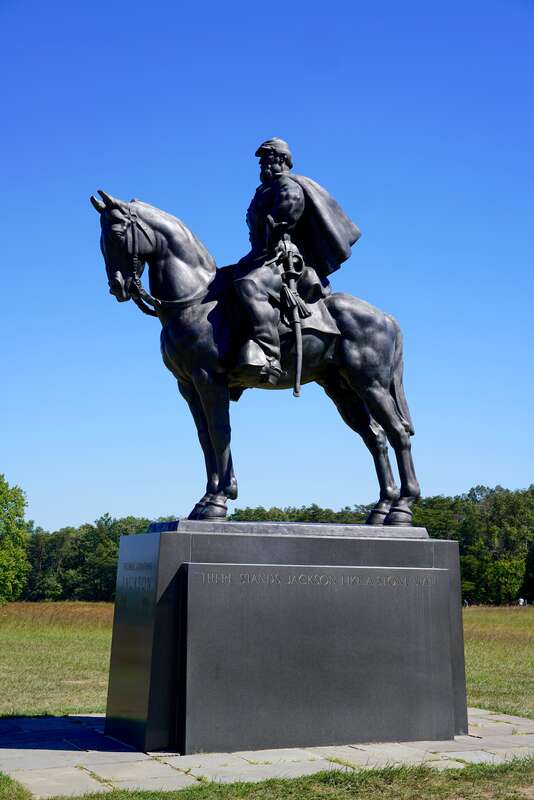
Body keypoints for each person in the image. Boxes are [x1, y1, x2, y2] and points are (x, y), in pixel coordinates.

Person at [233, 138, 361, 384]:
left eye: (267, 159)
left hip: (284, 257)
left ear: (281, 159)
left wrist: (273, 226)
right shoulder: (264, 190)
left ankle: (269, 356)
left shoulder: (288, 186)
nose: (263, 164)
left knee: (248, 285)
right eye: (262, 160)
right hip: (260, 256)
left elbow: (286, 218)